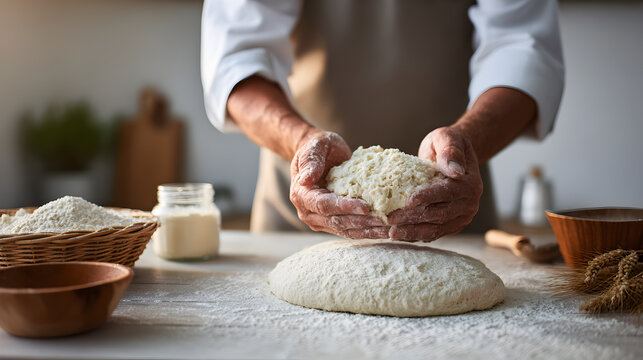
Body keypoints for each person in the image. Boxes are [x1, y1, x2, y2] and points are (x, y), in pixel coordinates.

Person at [201, 0, 564, 241]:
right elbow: (237, 57)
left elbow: (522, 48)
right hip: (302, 208)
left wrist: (465, 142)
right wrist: (300, 142)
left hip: (451, 210)